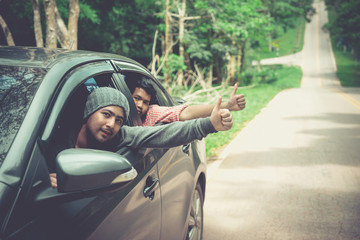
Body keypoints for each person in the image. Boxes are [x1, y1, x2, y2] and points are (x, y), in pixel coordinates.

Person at [50, 87, 233, 188]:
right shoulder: (52, 143)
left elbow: (164, 133)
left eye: (119, 120)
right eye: (106, 114)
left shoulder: (121, 136)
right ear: (89, 112)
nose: (112, 124)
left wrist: (209, 124)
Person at [131, 77, 246, 126]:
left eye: (146, 102)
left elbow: (186, 113)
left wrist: (226, 105)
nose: (140, 105)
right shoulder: (115, 113)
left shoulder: (151, 114)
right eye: (136, 98)